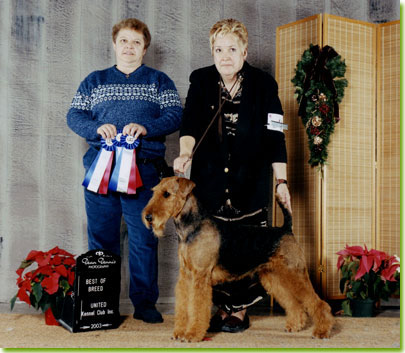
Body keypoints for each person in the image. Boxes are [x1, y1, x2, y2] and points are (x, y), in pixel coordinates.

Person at [173, 18, 291, 333]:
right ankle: (220, 309)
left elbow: (277, 136)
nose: (225, 56)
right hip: (210, 182)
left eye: (232, 49)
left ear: (244, 51)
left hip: (250, 182)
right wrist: (185, 153)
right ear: (212, 52)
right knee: (212, 248)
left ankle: (238, 311)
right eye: (219, 49)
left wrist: (282, 182)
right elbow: (189, 126)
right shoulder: (200, 80)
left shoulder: (265, 84)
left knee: (245, 250)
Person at [67, 18, 182, 323]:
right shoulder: (95, 80)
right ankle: (101, 304)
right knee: (102, 240)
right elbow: (74, 115)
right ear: (114, 44)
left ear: (145, 48)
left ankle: (145, 304)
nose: (129, 47)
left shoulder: (159, 81)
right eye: (124, 41)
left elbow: (174, 115)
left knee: (144, 240)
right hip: (99, 174)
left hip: (144, 174)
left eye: (136, 42)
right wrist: (94, 127)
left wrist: (147, 128)